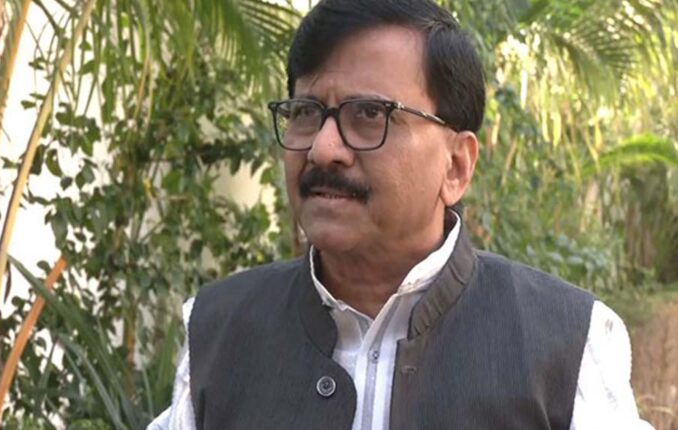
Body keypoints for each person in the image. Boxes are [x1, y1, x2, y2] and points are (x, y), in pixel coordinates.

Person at [149, 0, 653, 428]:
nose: (323, 149)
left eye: (369, 114)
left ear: (456, 166)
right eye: (305, 113)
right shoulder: (219, 331)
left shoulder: (566, 343)